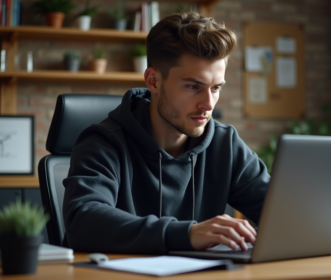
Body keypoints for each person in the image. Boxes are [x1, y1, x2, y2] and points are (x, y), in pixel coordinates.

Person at [62, 12, 270, 254]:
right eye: (194, 86)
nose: (208, 104)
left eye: (216, 88)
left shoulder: (224, 143)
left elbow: (279, 211)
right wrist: (187, 234)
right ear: (153, 81)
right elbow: (83, 221)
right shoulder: (103, 142)